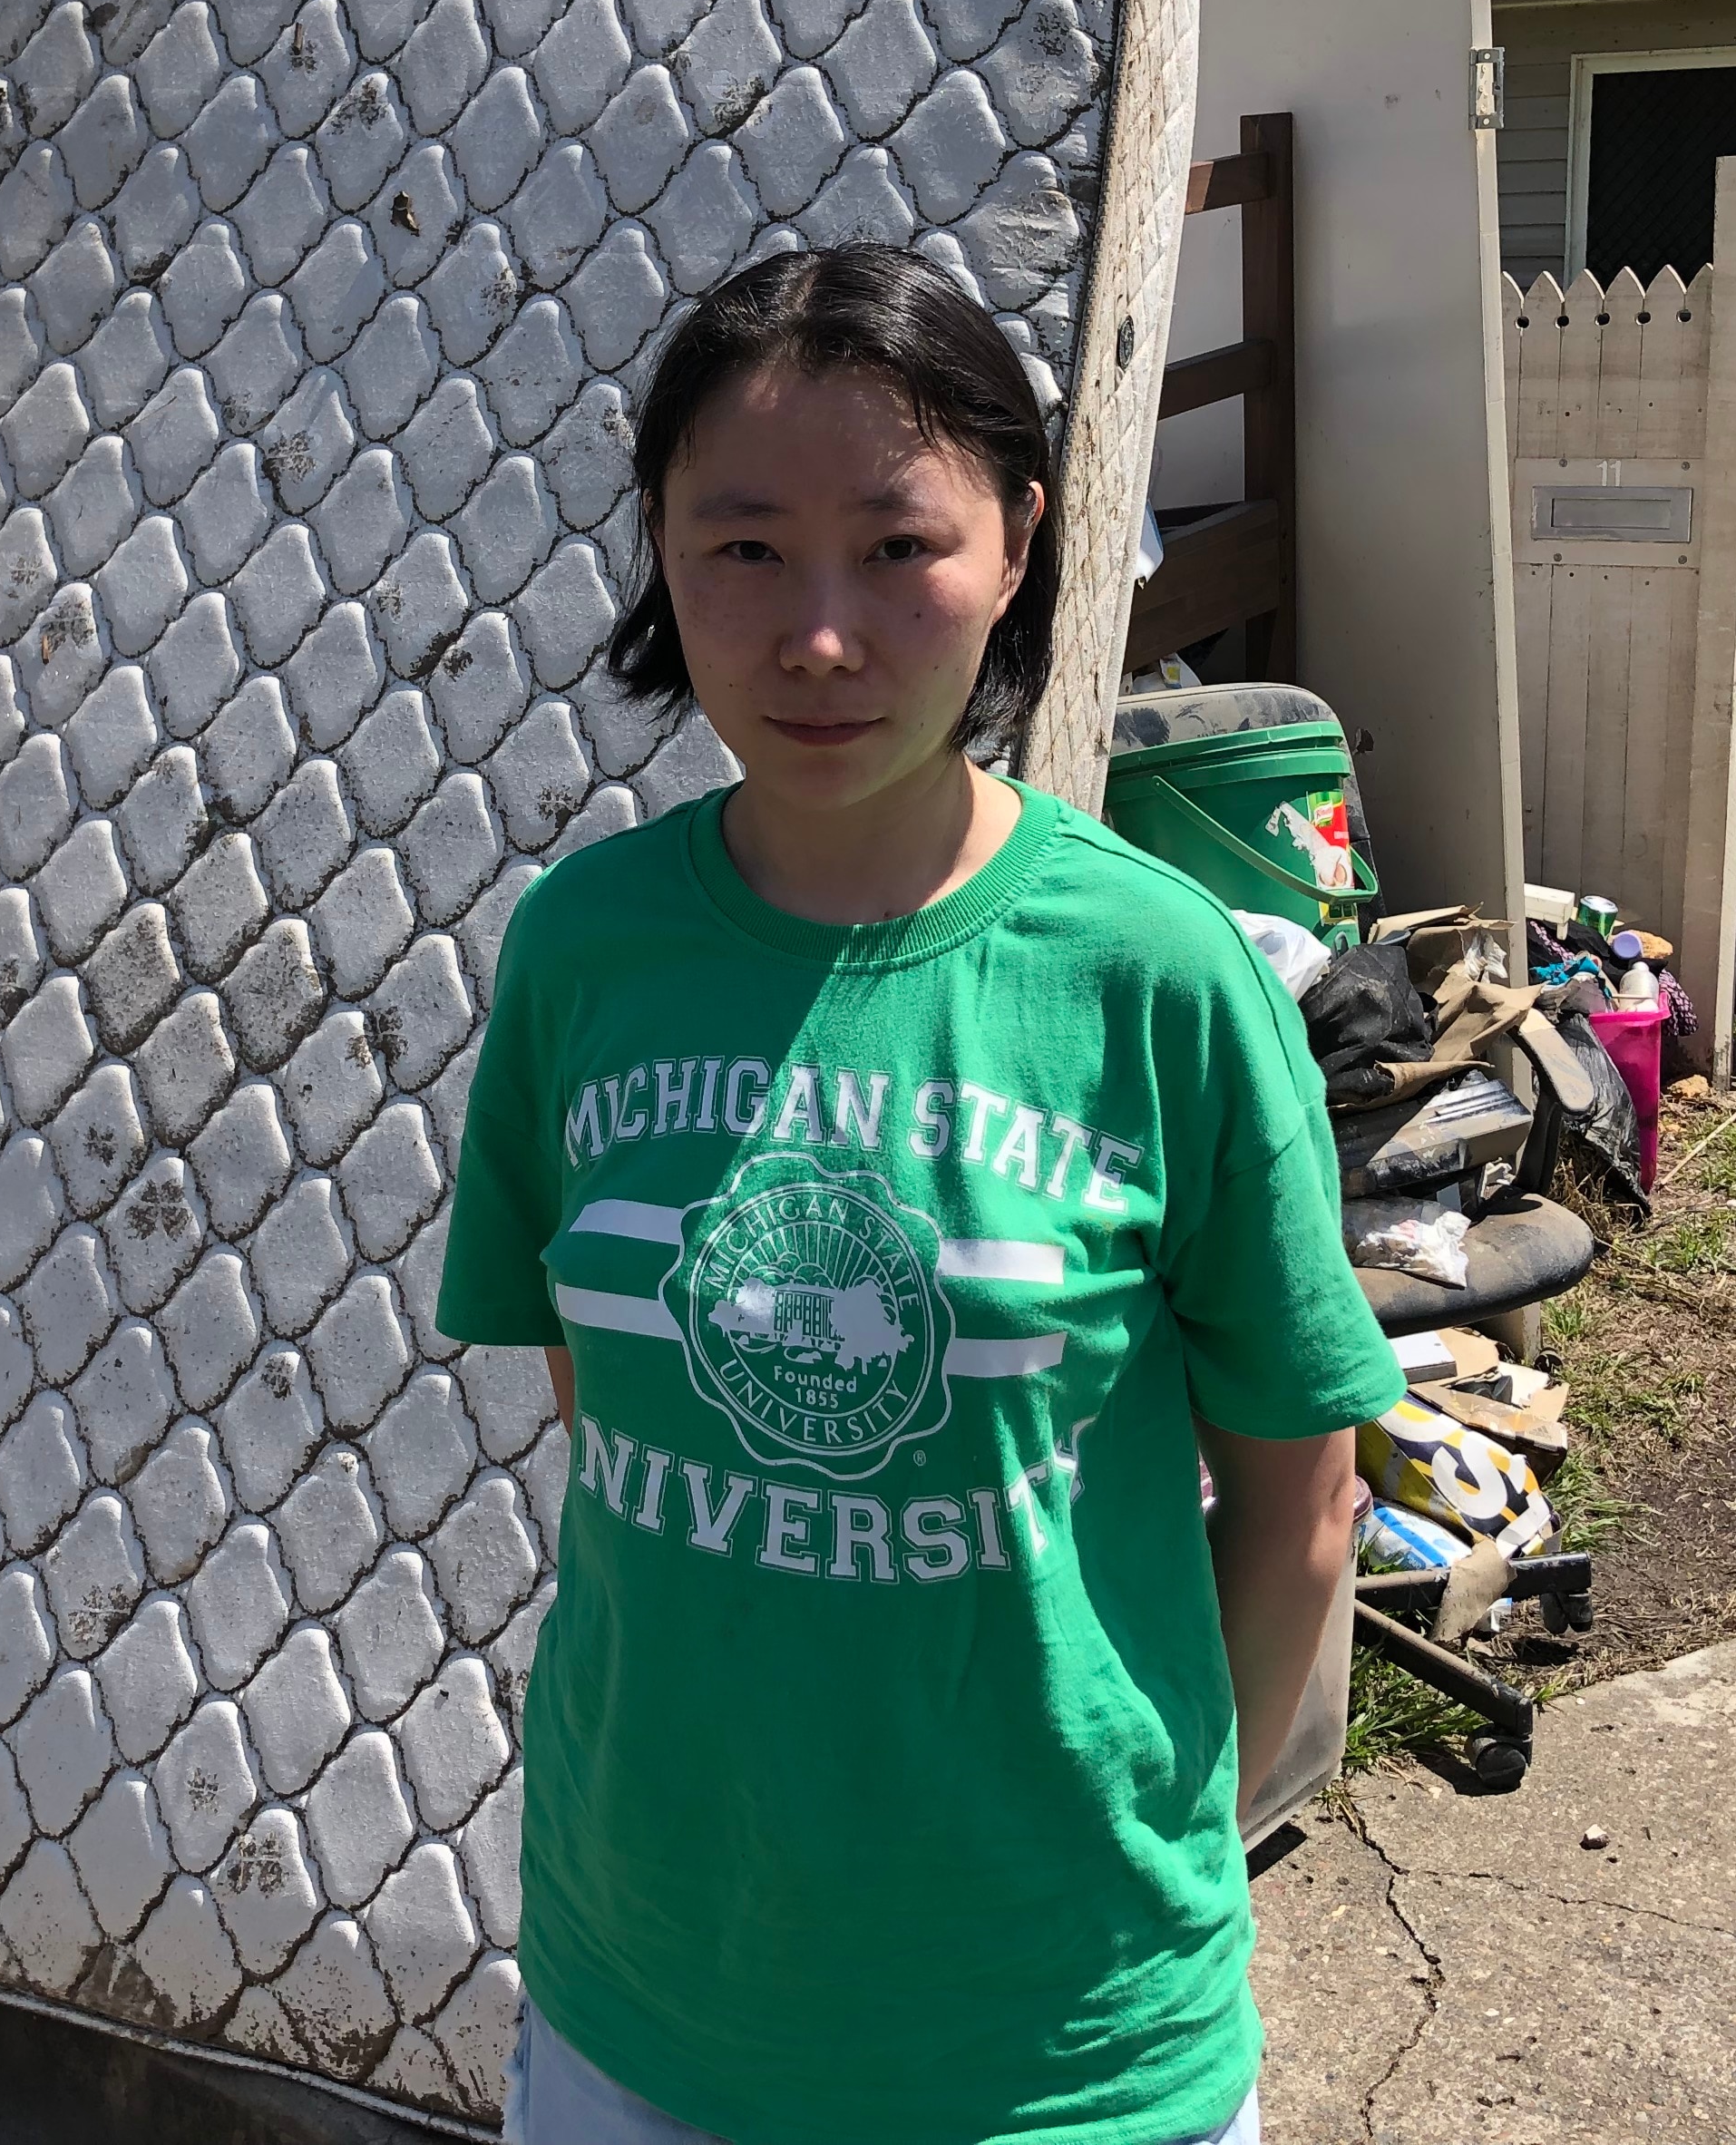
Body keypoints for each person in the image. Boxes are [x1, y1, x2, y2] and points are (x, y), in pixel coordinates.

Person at [437, 243, 1404, 2145]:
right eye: (742, 548)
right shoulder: (584, 953)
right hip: (648, 1997)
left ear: (1023, 543)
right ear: (658, 550)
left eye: (898, 548)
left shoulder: (1156, 975)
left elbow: (1303, 1493)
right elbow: (603, 1397)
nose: (819, 635)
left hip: (1055, 2045)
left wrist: (1150, 1862)